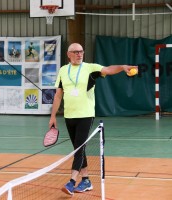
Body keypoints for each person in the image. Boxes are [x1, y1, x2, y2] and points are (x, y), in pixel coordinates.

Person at [48, 43, 137, 195]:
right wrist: (53, 116)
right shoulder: (63, 71)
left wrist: (122, 67)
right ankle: (86, 180)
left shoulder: (90, 68)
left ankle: (71, 182)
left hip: (86, 114)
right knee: (78, 148)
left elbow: (108, 70)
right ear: (68, 54)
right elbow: (58, 95)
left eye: (81, 51)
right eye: (76, 52)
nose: (79, 54)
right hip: (69, 115)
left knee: (79, 148)